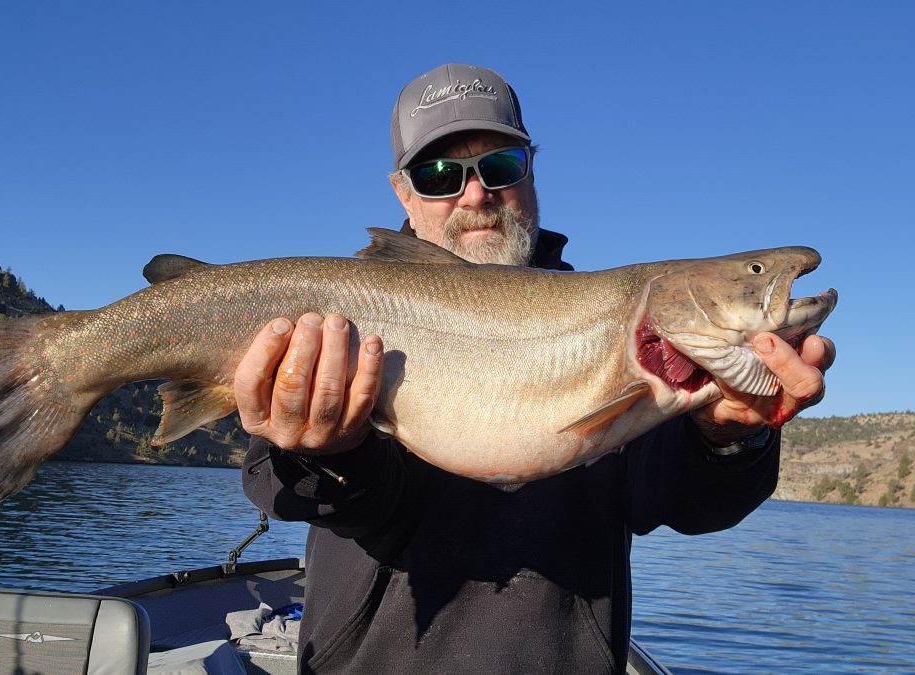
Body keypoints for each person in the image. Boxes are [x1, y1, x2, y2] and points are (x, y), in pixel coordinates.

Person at [236, 64, 835, 674]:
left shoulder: (630, 336)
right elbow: (271, 480)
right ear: (402, 192)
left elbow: (684, 505)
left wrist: (729, 437)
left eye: (499, 167)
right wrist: (332, 455)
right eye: (439, 175)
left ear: (530, 171)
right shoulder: (343, 314)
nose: (476, 196)